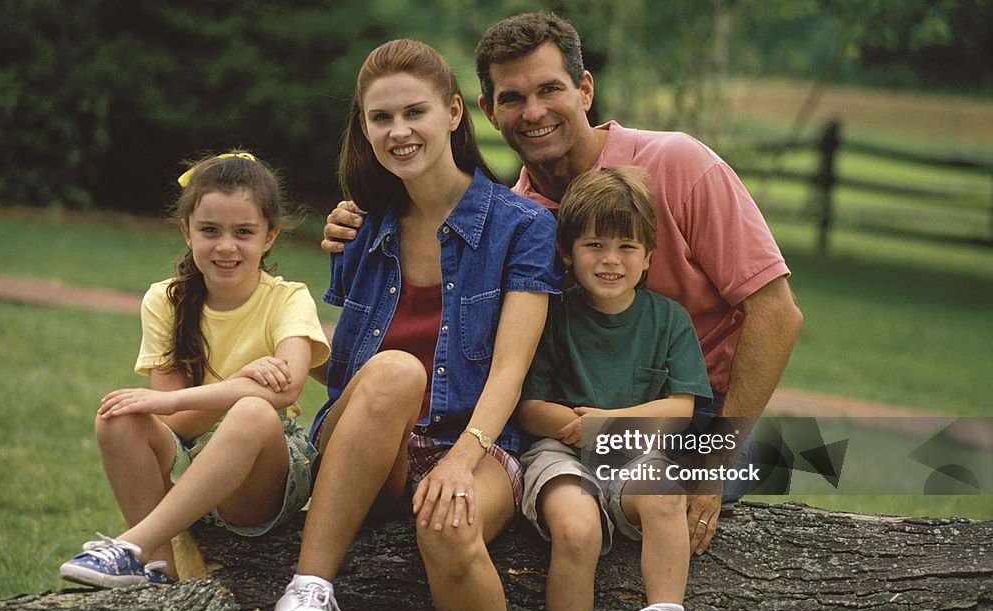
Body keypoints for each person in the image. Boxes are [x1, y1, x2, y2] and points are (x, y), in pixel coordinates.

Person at [322, 12, 803, 555]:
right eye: (511, 98)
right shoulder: (518, 222)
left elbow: (776, 312)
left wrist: (716, 456)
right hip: (569, 417)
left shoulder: (680, 165)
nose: (533, 112)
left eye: (550, 89)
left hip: (696, 410)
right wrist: (360, 223)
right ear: (486, 112)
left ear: (585, 89)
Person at [264, 39, 560, 611]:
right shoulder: (362, 228)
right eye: (381, 118)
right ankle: (309, 590)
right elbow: (350, 371)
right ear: (365, 128)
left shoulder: (523, 227)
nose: (398, 131)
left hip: (476, 444)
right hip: (367, 448)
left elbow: (510, 367)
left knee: (449, 527)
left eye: (414, 112)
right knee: (395, 372)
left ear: (454, 113)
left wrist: (461, 460)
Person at [59, 151, 330, 588]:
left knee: (253, 412)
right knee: (118, 417)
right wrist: (243, 381)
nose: (226, 246)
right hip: (191, 457)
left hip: (263, 475)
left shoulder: (288, 298)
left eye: (244, 232)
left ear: (270, 236)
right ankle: (157, 571)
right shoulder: (165, 299)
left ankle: (133, 544)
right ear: (187, 232)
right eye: (210, 231)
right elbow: (178, 426)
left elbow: (285, 389)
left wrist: (174, 398)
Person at [518, 167, 713, 611]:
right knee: (576, 528)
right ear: (567, 252)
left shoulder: (668, 320)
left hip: (634, 454)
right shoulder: (552, 313)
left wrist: (608, 423)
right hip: (559, 453)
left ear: (648, 257)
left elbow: (679, 409)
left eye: (626, 248)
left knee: (665, 492)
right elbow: (528, 408)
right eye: (594, 245)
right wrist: (577, 429)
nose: (610, 260)